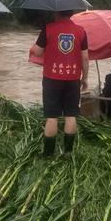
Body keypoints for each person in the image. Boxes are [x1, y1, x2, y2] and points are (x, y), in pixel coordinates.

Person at [30, 10, 89, 157]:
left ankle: (48, 154)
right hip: (73, 79)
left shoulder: (48, 28)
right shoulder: (80, 31)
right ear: (71, 13)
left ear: (57, 13)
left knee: (52, 116)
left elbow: (37, 52)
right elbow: (85, 59)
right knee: (71, 115)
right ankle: (68, 152)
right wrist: (85, 78)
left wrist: (35, 45)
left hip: (52, 78)